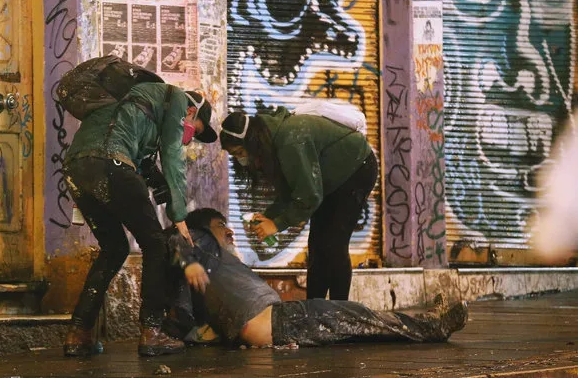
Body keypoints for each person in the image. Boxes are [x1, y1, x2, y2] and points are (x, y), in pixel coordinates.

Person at [165, 208, 468, 348]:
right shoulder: (199, 243)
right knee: (361, 317)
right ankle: (433, 325)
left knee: (361, 327)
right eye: (221, 225)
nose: (230, 231)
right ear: (202, 231)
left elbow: (189, 322)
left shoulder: (214, 269)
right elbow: (174, 241)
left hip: (275, 324)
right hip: (279, 320)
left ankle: (428, 321)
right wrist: (188, 261)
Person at [62, 82, 215, 357]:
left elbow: (145, 167)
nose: (189, 137)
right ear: (192, 111)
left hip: (77, 167)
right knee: (155, 244)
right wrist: (179, 214)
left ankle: (79, 331)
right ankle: (152, 331)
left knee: (114, 249)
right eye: (195, 130)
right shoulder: (178, 99)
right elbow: (172, 157)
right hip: (111, 164)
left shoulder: (140, 108)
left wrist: (164, 191)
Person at [219, 107, 378, 300]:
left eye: (239, 152)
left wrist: (276, 224)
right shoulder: (273, 141)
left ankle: (339, 311)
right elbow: (291, 190)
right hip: (329, 180)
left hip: (356, 170)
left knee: (334, 244)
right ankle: (313, 310)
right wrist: (270, 215)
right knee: (318, 246)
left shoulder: (289, 141)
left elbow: (309, 196)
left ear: (251, 142)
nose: (240, 159)